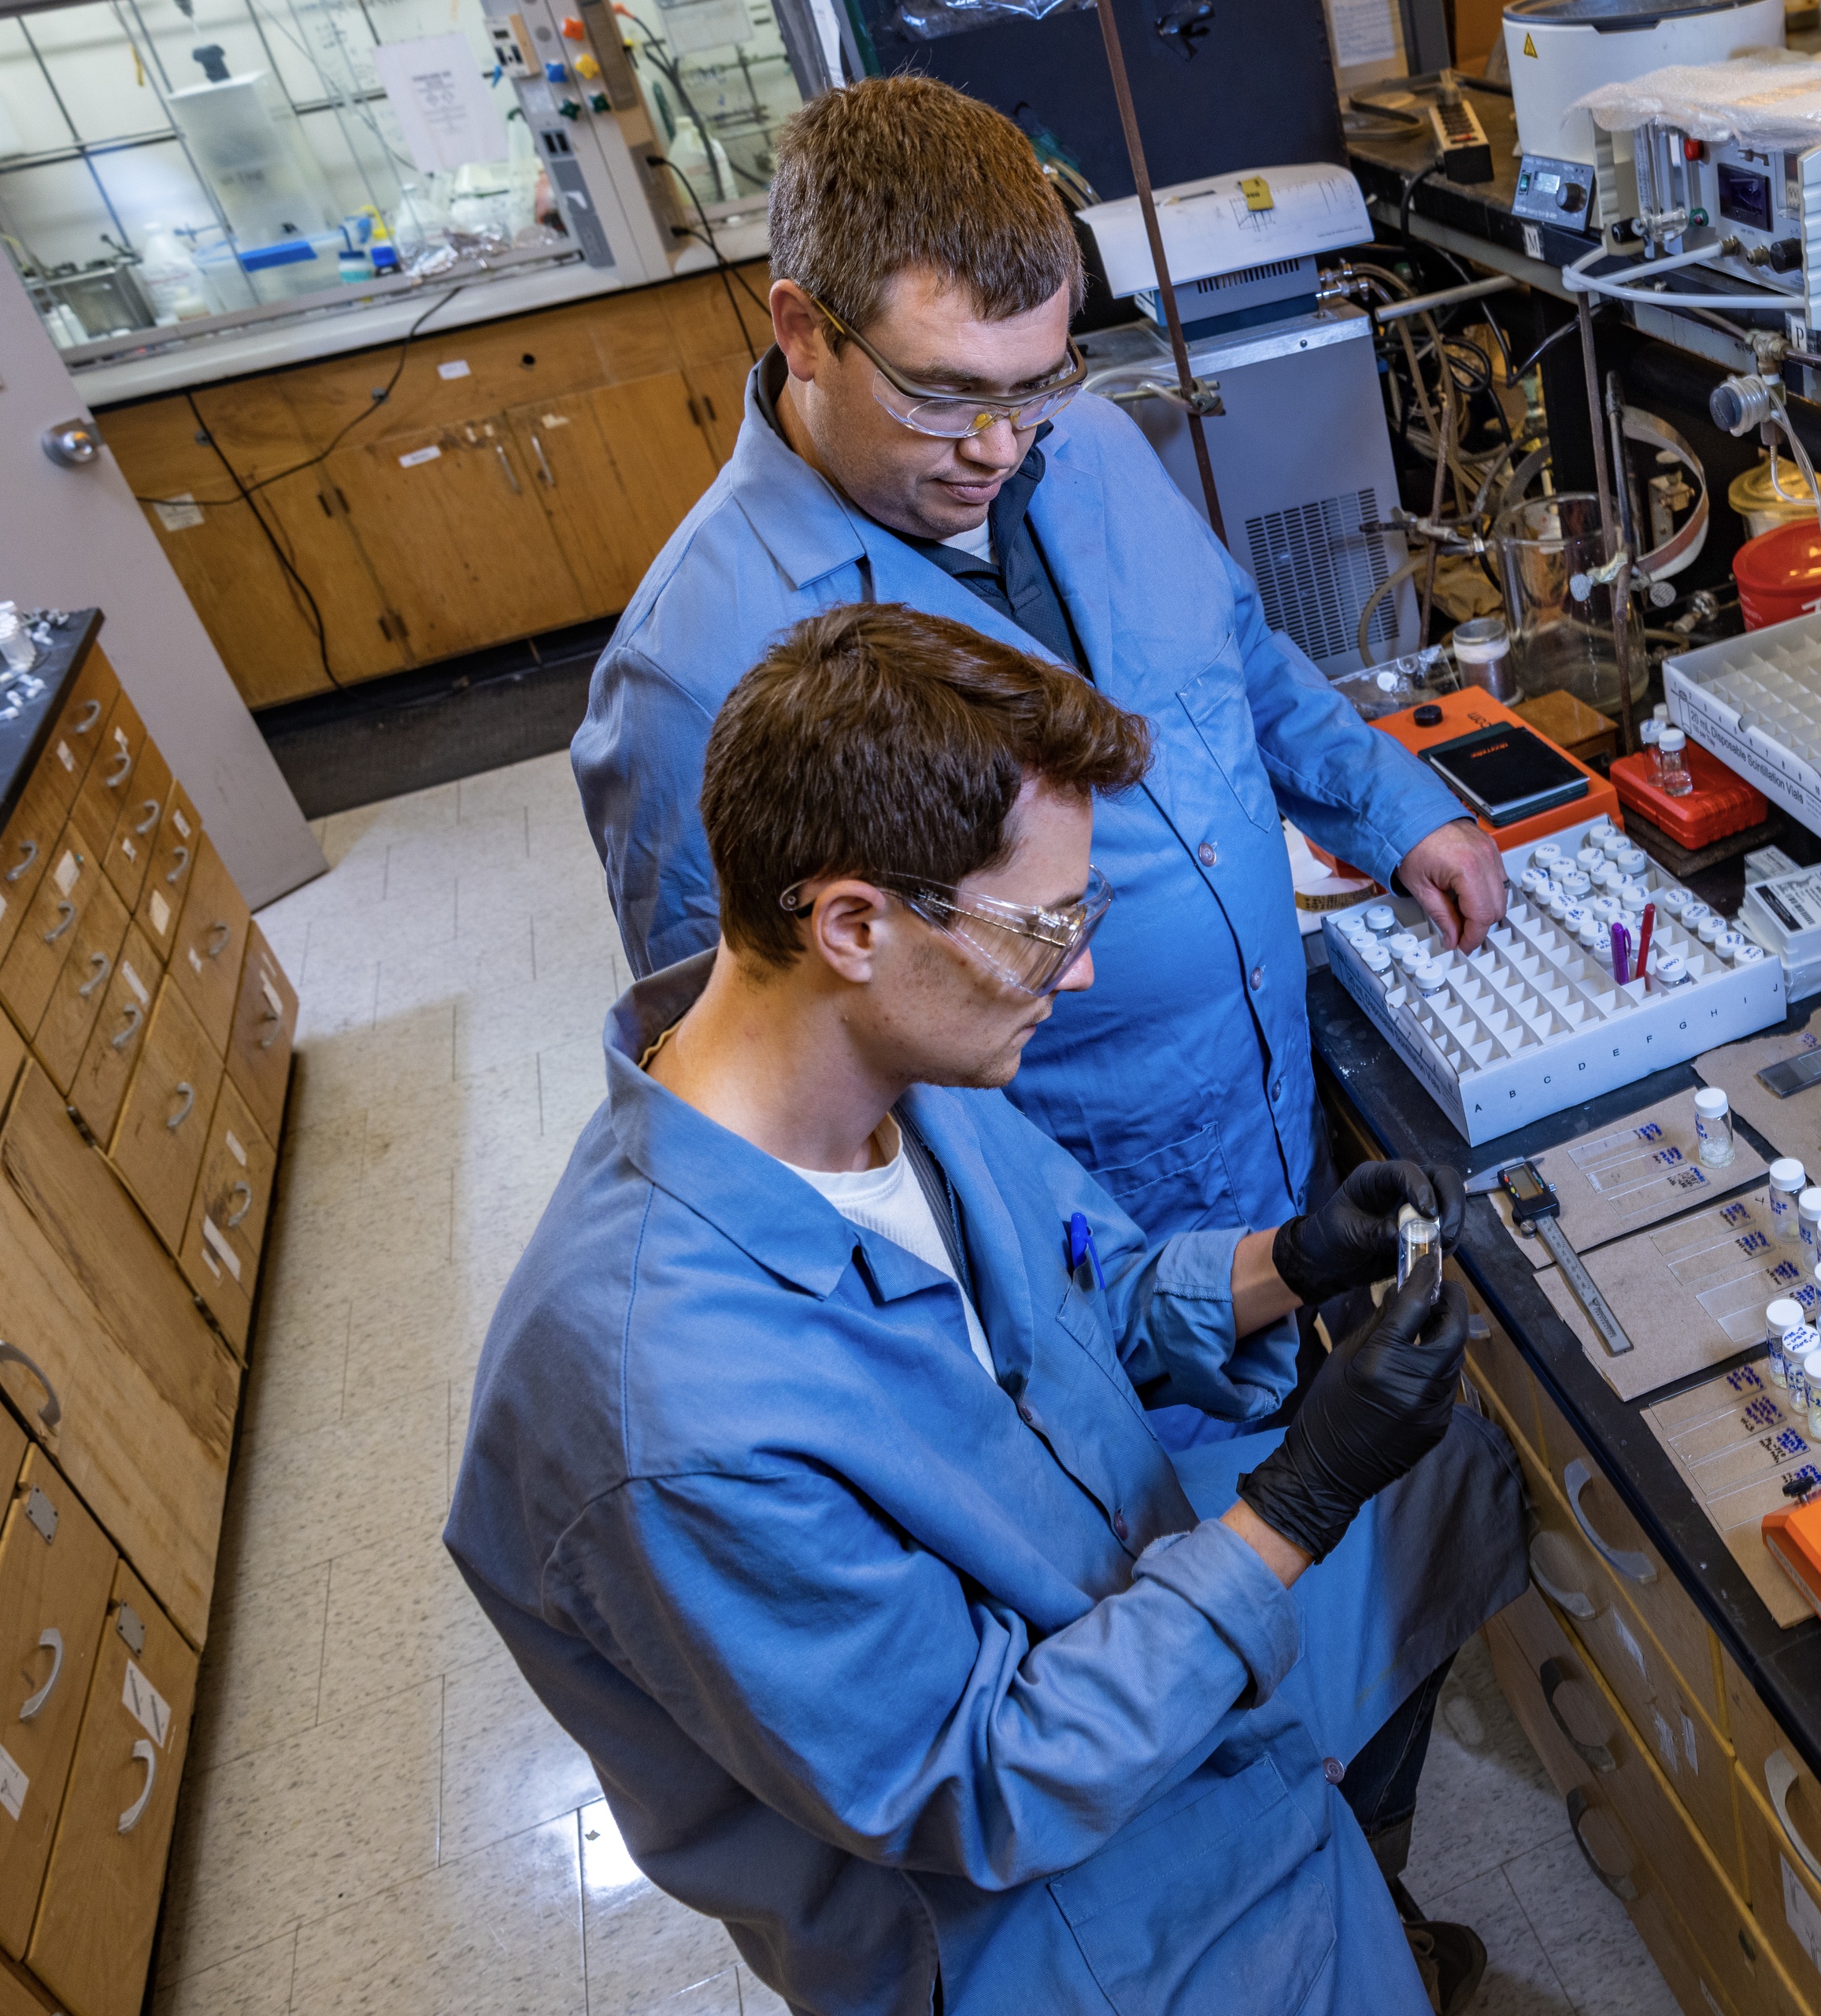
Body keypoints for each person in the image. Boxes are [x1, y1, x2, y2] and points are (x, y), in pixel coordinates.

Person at [453, 606, 1523, 2015]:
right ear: (851, 923)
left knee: (1461, 1487)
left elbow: (1086, 1302)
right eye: (1048, 926)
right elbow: (986, 1784)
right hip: (1046, 1930)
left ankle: (1355, 1896)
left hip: (1149, 1698)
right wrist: (1296, 1504)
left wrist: (1297, 1258)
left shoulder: (907, 1096)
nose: (1077, 972)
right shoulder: (662, 1411)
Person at [572, 75, 1504, 1297]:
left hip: (1270, 1121)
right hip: (1074, 1242)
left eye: (1034, 385)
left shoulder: (1095, 446)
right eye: (943, 393)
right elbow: (756, 1070)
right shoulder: (691, 667)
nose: (1000, 447)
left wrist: (1394, 807)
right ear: (803, 331)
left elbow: (1239, 659)